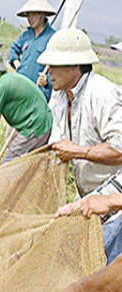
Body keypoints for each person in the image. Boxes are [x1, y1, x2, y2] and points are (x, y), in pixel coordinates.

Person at [37, 28, 122, 197]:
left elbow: (119, 150)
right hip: (86, 193)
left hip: (115, 195)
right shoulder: (60, 97)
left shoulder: (101, 92)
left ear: (75, 64)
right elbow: (58, 144)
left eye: (55, 65)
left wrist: (77, 152)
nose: (49, 72)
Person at [8, 0, 57, 100]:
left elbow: (58, 68)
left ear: (42, 15)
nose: (30, 18)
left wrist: (47, 80)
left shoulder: (53, 37)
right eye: (28, 15)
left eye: (33, 14)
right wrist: (18, 65)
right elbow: (13, 49)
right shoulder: (26, 36)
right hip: (19, 87)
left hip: (38, 92)